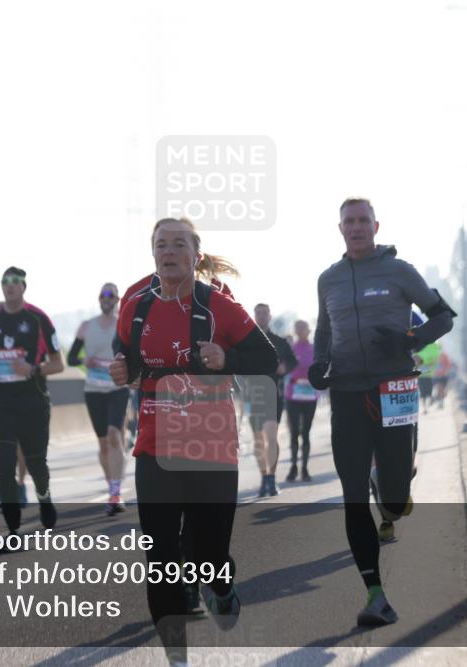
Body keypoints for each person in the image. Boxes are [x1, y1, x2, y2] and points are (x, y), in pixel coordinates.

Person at [109, 217, 276, 666]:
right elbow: (124, 354)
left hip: (211, 450)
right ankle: (176, 658)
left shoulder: (216, 306)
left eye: (179, 243)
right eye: (161, 244)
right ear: (153, 253)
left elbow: (268, 358)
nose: (169, 251)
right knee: (161, 554)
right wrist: (123, 370)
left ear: (195, 255)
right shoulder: (136, 306)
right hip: (155, 447)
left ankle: (219, 584)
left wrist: (228, 358)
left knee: (209, 553)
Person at [309, 197, 455, 627]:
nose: (356, 227)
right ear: (340, 229)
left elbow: (442, 316)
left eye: (362, 221)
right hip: (348, 392)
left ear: (376, 226)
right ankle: (375, 594)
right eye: (348, 222)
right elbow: (323, 329)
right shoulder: (328, 279)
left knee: (393, 497)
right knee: (351, 495)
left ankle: (389, 493)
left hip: (396, 388)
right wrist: (318, 363)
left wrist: (409, 339)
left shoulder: (399, 271)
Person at [0, 267, 64, 537]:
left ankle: (44, 497)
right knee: (5, 468)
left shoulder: (39, 319)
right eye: (5, 281)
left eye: (15, 282)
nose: (10, 286)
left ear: (23, 287)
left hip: (33, 403)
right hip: (2, 404)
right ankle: (13, 526)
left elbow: (58, 364)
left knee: (37, 462)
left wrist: (33, 369)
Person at [67, 283, 131, 515]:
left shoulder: (123, 325)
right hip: (93, 390)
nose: (106, 298)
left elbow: (133, 356)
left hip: (117, 389)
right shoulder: (86, 326)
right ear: (99, 298)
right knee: (104, 442)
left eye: (111, 295)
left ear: (117, 300)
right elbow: (71, 358)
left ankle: (116, 492)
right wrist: (85, 360)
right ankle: (111, 484)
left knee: (115, 436)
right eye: (103, 295)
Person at [250, 303, 297, 497]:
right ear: (254, 316)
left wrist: (284, 368)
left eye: (264, 313)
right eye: (258, 313)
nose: (261, 316)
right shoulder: (248, 342)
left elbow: (293, 361)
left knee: (271, 436)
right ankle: (264, 477)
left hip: (275, 395)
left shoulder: (279, 341)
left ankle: (271, 477)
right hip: (254, 395)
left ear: (270, 316)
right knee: (259, 441)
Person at [284, 319, 318, 482]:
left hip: (310, 395)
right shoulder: (291, 349)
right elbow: (284, 367)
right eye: (297, 327)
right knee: (294, 433)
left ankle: (304, 468)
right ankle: (293, 467)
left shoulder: (315, 349)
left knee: (306, 433)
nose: (300, 330)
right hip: (293, 395)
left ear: (308, 330)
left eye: (303, 327)